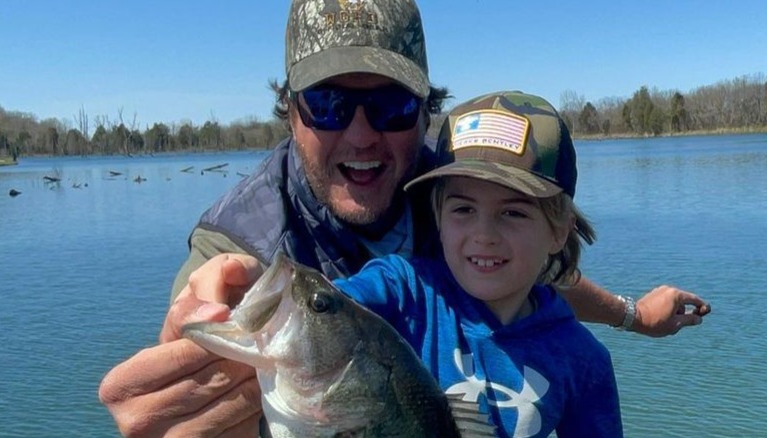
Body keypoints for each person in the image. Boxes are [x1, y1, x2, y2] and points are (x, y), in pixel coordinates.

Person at [98, 0, 710, 436]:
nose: (363, 135)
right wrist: (191, 398)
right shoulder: (243, 245)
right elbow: (295, 326)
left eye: (390, 105)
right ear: (291, 114)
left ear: (424, 114)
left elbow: (532, 276)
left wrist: (633, 316)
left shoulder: (446, 184)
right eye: (330, 104)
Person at [321, 90, 622, 436]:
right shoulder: (403, 291)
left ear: (558, 232)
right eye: (463, 209)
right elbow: (325, 308)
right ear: (438, 217)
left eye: (513, 212)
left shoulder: (584, 360)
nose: (484, 234)